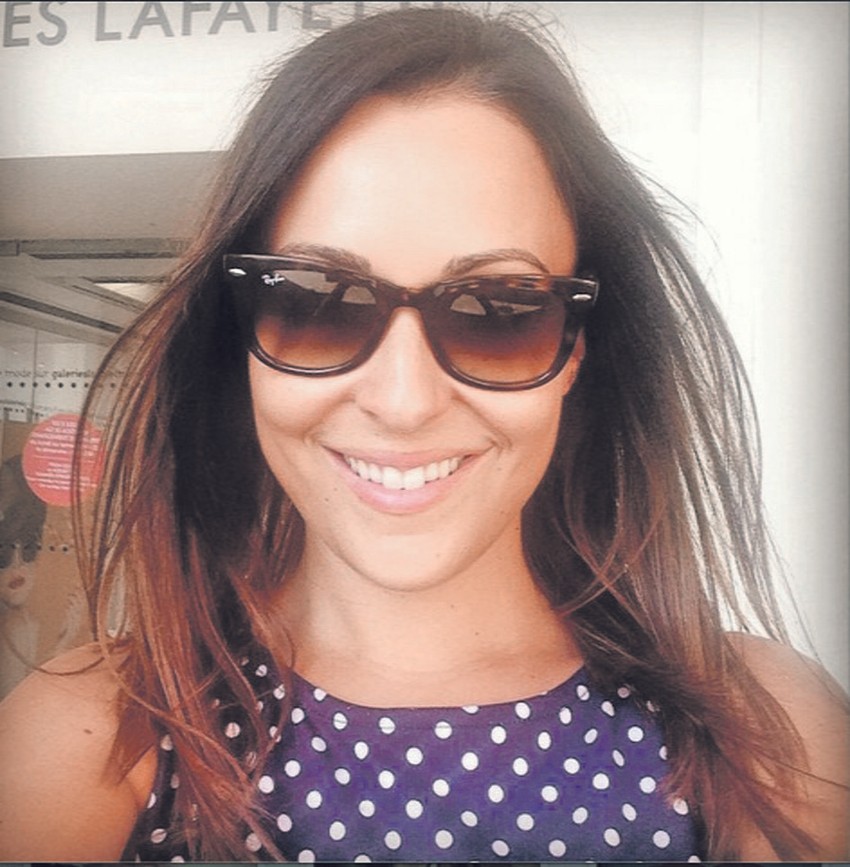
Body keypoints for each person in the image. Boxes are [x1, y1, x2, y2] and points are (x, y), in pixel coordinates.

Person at [0, 5, 847, 862]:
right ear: (239, 338)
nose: (404, 402)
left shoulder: (763, 728)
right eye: (318, 302)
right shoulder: (93, 733)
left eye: (498, 310)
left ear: (576, 350)